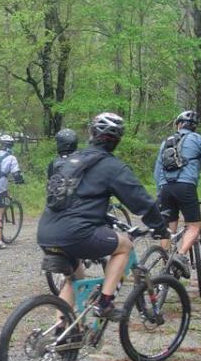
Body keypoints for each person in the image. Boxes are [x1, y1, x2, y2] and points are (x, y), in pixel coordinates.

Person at [38, 114, 169, 321]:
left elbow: (74, 198)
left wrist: (104, 218)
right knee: (125, 245)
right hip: (75, 233)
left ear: (91, 134)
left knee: (74, 279)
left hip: (46, 230)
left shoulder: (72, 160)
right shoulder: (112, 167)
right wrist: (160, 227)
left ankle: (63, 334)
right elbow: (141, 202)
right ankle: (105, 303)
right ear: (117, 140)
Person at [153, 110, 201, 278]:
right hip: (186, 187)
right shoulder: (198, 139)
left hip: (165, 188)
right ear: (194, 127)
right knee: (194, 226)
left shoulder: (166, 142)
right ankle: (181, 256)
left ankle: (165, 265)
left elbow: (157, 170)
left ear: (178, 125)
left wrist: (159, 191)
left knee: (168, 228)